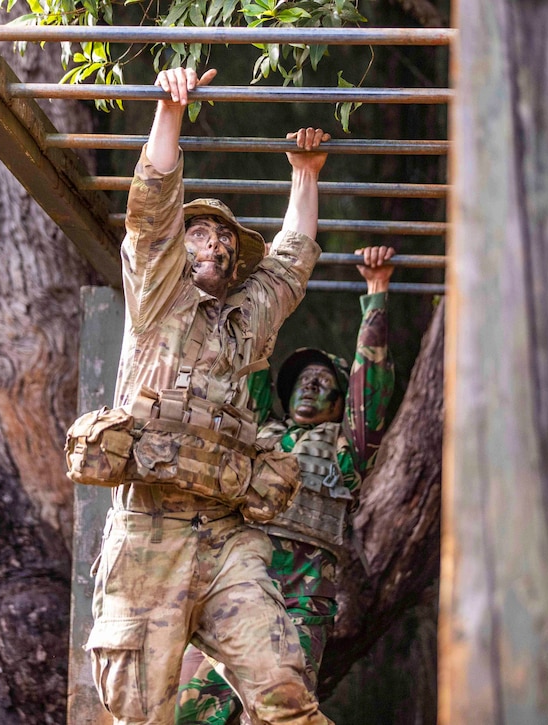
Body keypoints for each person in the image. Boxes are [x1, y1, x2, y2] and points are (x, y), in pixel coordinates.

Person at [80, 65, 333, 724]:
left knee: (285, 691)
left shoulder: (248, 320)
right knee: (136, 710)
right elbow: (151, 209)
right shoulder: (158, 302)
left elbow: (292, 259)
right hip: (148, 532)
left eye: (224, 236)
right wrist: (170, 110)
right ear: (180, 248)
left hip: (225, 535)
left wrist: (304, 173)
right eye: (199, 232)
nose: (215, 242)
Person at [176, 246, 397, 724]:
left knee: (280, 713)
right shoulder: (258, 431)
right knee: (188, 710)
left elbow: (371, 383)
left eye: (323, 382)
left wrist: (376, 292)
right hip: (235, 585)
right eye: (301, 380)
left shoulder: (345, 446)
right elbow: (249, 355)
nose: (309, 387)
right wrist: (251, 282)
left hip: (300, 599)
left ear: (341, 405)